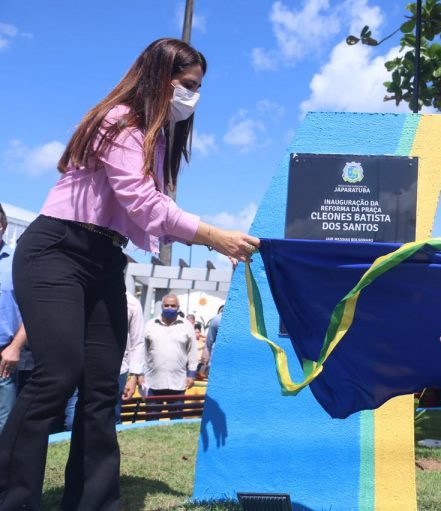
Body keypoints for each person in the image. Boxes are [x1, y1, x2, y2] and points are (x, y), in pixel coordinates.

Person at [0, 38, 260, 510]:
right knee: (58, 374)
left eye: (198, 87)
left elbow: (151, 215)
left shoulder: (157, 140)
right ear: (160, 76)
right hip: (57, 251)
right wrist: (213, 235)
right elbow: (143, 203)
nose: (193, 97)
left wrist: (211, 241)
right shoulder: (119, 121)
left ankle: (96, 503)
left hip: (105, 258)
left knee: (103, 385)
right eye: (187, 84)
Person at [143, 294, 198, 417]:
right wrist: (140, 374)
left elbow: (192, 352)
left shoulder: (187, 326)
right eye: (166, 305)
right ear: (162, 306)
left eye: (173, 306)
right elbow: (143, 351)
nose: (169, 308)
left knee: (176, 421)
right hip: (153, 382)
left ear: (178, 307)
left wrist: (191, 375)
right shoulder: (150, 324)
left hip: (177, 383)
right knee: (151, 420)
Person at [0, 204, 26, 435]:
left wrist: (16, 347)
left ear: (3, 226)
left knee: (4, 423)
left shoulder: (17, 263)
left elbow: (33, 310)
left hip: (4, 356)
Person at [116, 291, 145, 422]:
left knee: (113, 414)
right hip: (84, 367)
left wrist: (133, 376)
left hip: (118, 370)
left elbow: (137, 342)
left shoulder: (132, 303)